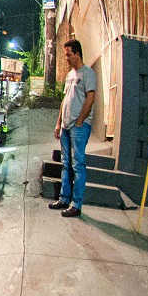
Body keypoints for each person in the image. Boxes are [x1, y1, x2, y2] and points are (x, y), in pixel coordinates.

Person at [50, 38, 98, 217]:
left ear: (77, 53)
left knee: (78, 165)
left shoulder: (88, 73)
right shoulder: (70, 75)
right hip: (65, 126)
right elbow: (64, 100)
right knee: (66, 164)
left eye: (69, 55)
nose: (67, 58)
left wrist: (80, 121)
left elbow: (90, 98)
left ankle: (76, 205)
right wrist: (58, 123)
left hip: (79, 127)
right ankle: (64, 199)